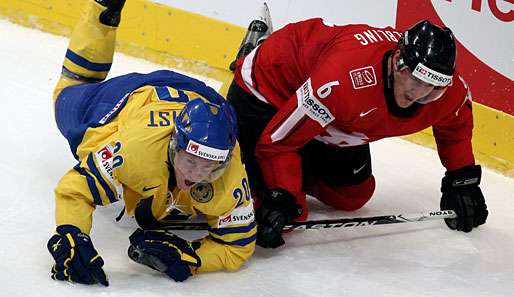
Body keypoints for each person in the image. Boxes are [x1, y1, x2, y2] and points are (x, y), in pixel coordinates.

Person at [227, 16, 489, 249]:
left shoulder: (450, 93)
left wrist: (461, 179)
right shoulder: (342, 80)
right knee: (286, 214)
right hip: (271, 87)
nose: (421, 94)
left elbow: (455, 129)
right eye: (417, 80)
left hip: (329, 113)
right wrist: (282, 194)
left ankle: (294, 164)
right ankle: (254, 49)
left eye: (435, 86)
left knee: (353, 196)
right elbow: (277, 144)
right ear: (398, 63)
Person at [47, 0, 256, 286]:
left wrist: (192, 258)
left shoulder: (229, 174)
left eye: (208, 167)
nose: (196, 175)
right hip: (130, 98)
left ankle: (248, 62)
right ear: (174, 146)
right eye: (191, 161)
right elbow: (75, 189)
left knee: (232, 116)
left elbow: (237, 247)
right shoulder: (135, 151)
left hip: (205, 101)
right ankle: (102, 12)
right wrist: (71, 233)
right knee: (69, 91)